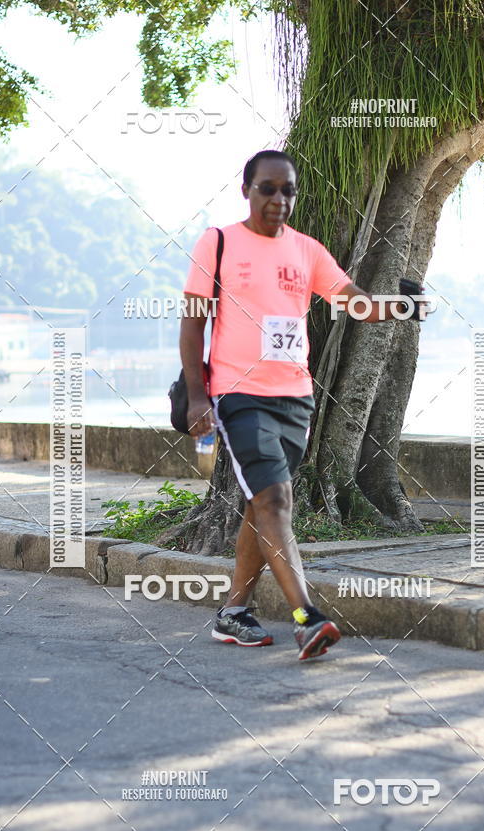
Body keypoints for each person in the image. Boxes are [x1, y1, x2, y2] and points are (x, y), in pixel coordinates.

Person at [180, 149, 428, 661]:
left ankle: (233, 612)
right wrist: (199, 395)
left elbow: (354, 301)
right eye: (267, 188)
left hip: (295, 398)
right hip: (238, 393)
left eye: (287, 190)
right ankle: (307, 617)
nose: (278, 199)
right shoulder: (219, 243)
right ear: (247, 189)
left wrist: (401, 305)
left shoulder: (307, 251)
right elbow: (192, 322)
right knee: (276, 500)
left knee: (261, 501)